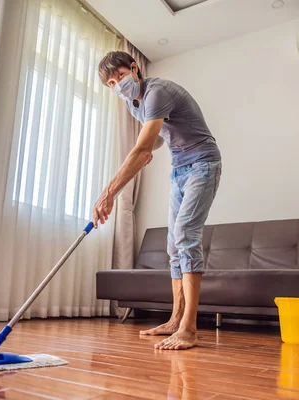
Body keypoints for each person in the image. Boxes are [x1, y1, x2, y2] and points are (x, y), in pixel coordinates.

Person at [92, 51, 221, 350]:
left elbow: (140, 148)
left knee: (185, 236)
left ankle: (189, 328)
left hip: (203, 163)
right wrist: (150, 148)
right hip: (179, 168)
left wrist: (108, 194)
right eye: (111, 82)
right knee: (173, 246)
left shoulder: (157, 91)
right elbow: (159, 136)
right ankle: (175, 320)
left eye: (120, 76)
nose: (117, 85)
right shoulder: (132, 103)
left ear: (134, 69)